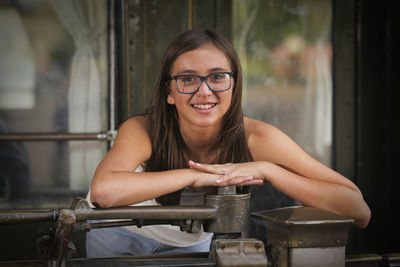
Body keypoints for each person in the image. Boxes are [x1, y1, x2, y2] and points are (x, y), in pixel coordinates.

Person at [86, 29, 371, 257]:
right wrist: (195, 176)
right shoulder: (143, 128)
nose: (204, 91)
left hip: (194, 246)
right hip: (121, 235)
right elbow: (104, 193)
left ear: (234, 86)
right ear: (169, 92)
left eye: (218, 77)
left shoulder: (257, 137)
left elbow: (358, 210)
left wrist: (269, 170)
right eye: (187, 79)